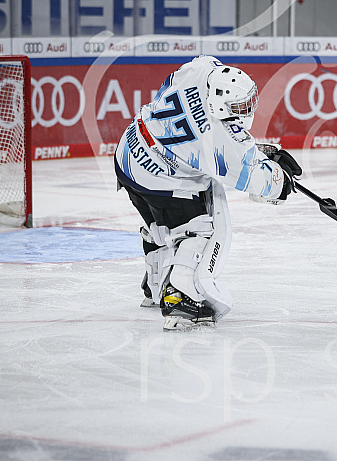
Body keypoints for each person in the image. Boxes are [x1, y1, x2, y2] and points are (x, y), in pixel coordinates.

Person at [114, 55, 302, 330]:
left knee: (159, 225)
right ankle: (180, 296)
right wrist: (280, 179)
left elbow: (179, 91)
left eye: (248, 101)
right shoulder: (217, 136)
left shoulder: (199, 70)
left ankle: (155, 287)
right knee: (202, 229)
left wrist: (259, 153)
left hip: (130, 154)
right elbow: (256, 180)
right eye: (239, 105)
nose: (246, 108)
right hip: (161, 179)